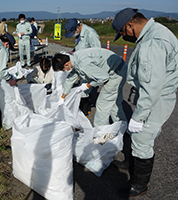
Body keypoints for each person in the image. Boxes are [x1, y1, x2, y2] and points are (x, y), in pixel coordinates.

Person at [112, 8, 178, 198]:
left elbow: (151, 88)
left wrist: (139, 117)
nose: (124, 37)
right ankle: (130, 164)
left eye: (123, 33)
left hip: (155, 100)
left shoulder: (153, 43)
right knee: (137, 136)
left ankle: (139, 185)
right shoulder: (157, 30)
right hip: (153, 96)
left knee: (142, 139)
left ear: (130, 25)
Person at [52, 48, 128, 127]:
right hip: (115, 68)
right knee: (114, 102)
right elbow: (70, 79)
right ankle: (122, 125)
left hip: (116, 72)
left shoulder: (83, 63)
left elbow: (104, 77)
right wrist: (63, 97)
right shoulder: (74, 59)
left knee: (103, 103)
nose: (65, 71)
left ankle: (100, 133)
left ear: (66, 64)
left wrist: (88, 85)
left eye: (63, 69)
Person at [64, 18, 102, 117]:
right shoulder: (78, 33)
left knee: (84, 88)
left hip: (89, 65)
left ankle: (85, 110)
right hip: (80, 63)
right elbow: (80, 48)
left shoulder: (90, 34)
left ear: (77, 27)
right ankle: (84, 104)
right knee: (78, 83)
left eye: (73, 32)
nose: (73, 34)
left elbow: (97, 52)